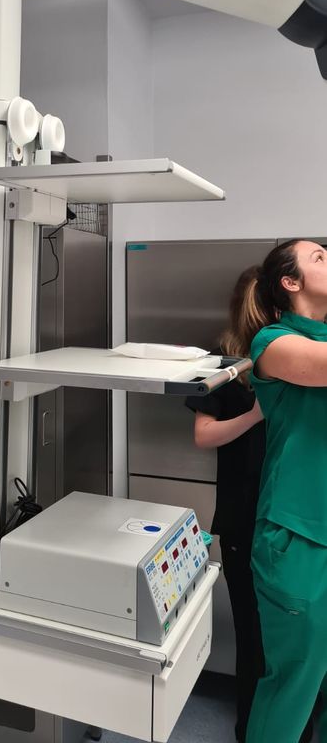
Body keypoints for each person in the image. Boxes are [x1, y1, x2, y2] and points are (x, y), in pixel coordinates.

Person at [220, 238, 327, 743]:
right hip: (296, 535)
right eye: (320, 258)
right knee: (293, 685)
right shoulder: (274, 343)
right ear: (291, 282)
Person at [185, 267, 268, 743]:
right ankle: (250, 729)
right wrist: (256, 414)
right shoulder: (223, 362)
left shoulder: (300, 356)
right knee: (253, 634)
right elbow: (204, 435)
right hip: (243, 514)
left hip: (287, 511)